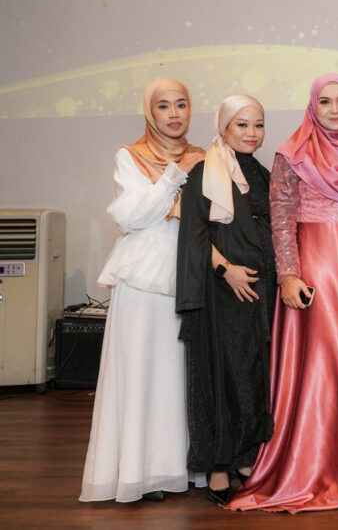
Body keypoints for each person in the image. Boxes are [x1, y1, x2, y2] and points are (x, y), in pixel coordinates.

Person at [225, 74, 338, 513]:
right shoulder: (291, 151)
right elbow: (281, 219)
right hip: (316, 269)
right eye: (325, 102)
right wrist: (289, 276)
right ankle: (318, 468)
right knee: (323, 367)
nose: (335, 109)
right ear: (313, 106)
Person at [80, 77, 206, 503]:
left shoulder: (204, 155)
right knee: (142, 371)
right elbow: (132, 217)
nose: (173, 114)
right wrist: (172, 176)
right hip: (144, 275)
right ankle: (141, 472)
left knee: (179, 373)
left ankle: (180, 467)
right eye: (163, 106)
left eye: (181, 104)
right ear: (149, 112)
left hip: (189, 272)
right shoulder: (130, 155)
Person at [176, 95, 275, 504]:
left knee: (252, 374)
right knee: (222, 375)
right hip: (223, 291)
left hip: (261, 290)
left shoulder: (263, 174)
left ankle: (246, 457)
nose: (252, 133)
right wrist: (225, 270)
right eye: (242, 125)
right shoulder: (204, 171)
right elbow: (195, 233)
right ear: (224, 127)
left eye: (258, 125)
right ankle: (219, 465)